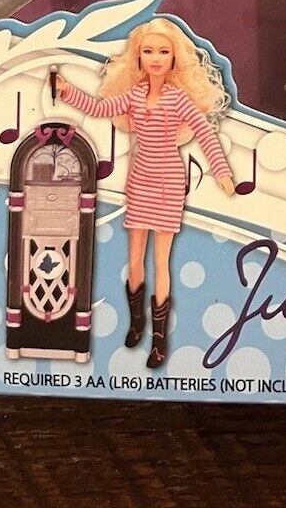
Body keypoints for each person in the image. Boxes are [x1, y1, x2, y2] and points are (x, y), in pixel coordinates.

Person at [52, 18, 235, 368]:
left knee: (160, 262)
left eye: (163, 52)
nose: (156, 58)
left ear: (174, 57)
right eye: (148, 51)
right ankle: (137, 323)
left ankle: (159, 340)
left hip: (168, 182)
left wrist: (222, 172)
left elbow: (205, 132)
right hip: (140, 181)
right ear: (137, 56)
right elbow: (101, 108)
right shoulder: (135, 94)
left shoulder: (179, 100)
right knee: (134, 259)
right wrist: (67, 90)